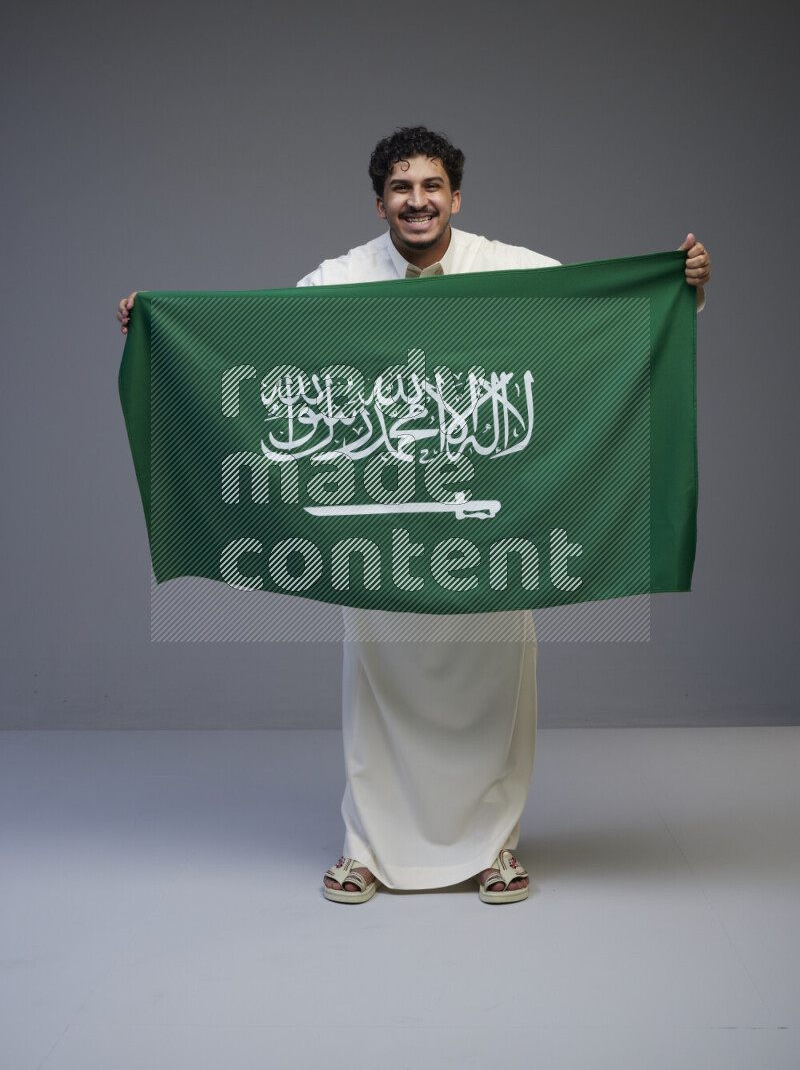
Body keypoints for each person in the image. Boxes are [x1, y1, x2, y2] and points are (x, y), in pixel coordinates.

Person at [117, 126, 711, 903]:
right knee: (375, 688)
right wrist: (160, 327)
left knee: (495, 686)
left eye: (432, 186)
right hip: (384, 532)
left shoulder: (508, 271)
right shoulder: (342, 277)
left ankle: (496, 846)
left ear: (455, 197)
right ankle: (365, 847)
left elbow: (598, 323)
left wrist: (678, 285)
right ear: (380, 202)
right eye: (402, 188)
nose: (418, 200)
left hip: (489, 535)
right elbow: (260, 354)